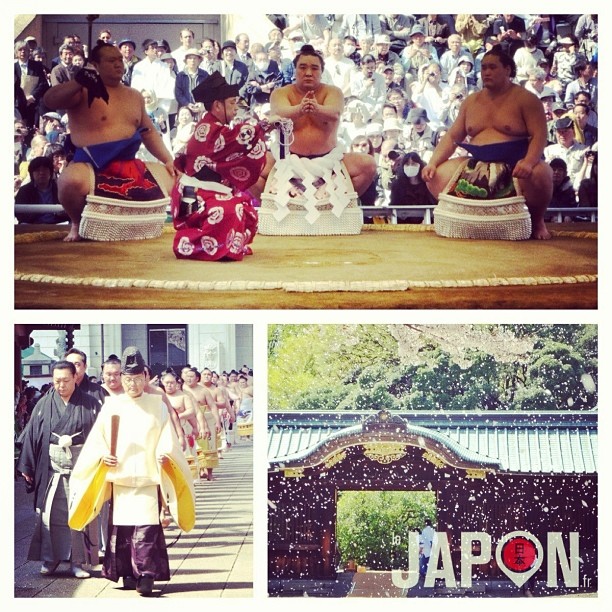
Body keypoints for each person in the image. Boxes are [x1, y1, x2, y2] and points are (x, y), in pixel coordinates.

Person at [68, 347, 195, 596]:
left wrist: (165, 453)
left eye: (137, 378)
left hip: (148, 476)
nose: (132, 384)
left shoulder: (156, 405)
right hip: (121, 477)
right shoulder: (112, 405)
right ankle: (127, 572)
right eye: (128, 379)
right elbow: (98, 440)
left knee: (146, 528)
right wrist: (104, 456)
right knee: (123, 530)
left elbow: (166, 437)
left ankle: (146, 575)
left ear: (146, 377)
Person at [43, 41, 176, 242]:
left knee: (174, 176)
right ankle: (77, 223)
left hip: (129, 165)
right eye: (111, 60)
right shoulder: (81, 92)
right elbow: (49, 100)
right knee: (69, 181)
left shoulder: (134, 95)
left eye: (120, 60)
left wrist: (168, 159)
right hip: (91, 166)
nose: (118, 64)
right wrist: (79, 81)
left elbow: (148, 132)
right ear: (95, 65)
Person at [422, 47, 553, 239]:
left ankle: (537, 220)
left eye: (493, 67)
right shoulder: (471, 101)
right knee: (435, 175)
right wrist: (432, 162)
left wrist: (528, 161)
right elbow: (452, 137)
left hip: (515, 163)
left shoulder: (527, 99)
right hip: (477, 163)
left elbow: (539, 136)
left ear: (508, 70)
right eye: (483, 68)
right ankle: (471, 220)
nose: (486, 72)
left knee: (542, 173)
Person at [171, 70, 272, 261]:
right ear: (217, 105)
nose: (236, 108)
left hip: (202, 193)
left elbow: (234, 146)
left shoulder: (214, 127)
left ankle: (222, 243)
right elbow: (238, 139)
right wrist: (265, 125)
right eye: (232, 103)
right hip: (191, 197)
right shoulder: (209, 129)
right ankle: (188, 243)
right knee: (233, 208)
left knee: (246, 211)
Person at [16, 359, 101, 578]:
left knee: (78, 515)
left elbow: (100, 438)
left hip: (80, 469)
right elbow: (31, 435)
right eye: (57, 381)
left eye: (65, 380)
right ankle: (51, 559)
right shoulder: (44, 404)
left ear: (75, 378)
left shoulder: (90, 404)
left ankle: (78, 562)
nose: (61, 385)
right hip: (51, 470)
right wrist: (27, 466)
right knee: (49, 516)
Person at [270, 44, 377, 197]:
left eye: (314, 68)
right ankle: (286, 197)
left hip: (329, 162)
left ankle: (333, 197)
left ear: (321, 71)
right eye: (302, 67)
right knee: (251, 165)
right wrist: (300, 109)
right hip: (288, 161)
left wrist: (316, 109)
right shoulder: (280, 93)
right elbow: (279, 113)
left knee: (368, 165)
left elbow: (334, 113)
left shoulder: (333, 92)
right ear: (294, 70)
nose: (308, 73)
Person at [15, 156, 68, 224]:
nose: (41, 173)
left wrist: (63, 213)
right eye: (37, 170)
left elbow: (71, 210)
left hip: (57, 224)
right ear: (32, 174)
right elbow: (19, 215)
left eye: (45, 169)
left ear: (51, 172)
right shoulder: (24, 191)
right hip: (32, 226)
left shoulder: (61, 188)